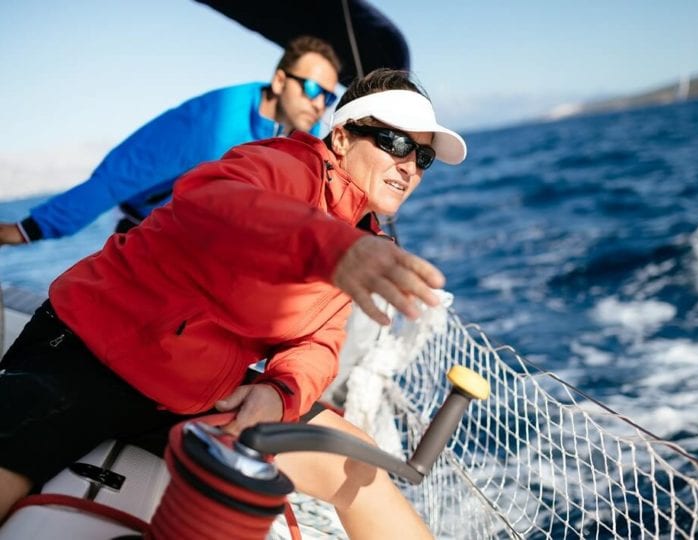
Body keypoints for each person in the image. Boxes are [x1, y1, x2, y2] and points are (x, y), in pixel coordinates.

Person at [0, 67, 467, 538]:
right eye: (395, 142)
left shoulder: (360, 238)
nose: (410, 166)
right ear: (342, 138)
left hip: (196, 393)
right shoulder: (285, 167)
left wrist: (279, 391)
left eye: (423, 155)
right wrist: (333, 247)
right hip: (90, 352)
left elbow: (320, 339)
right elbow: (210, 199)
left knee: (360, 475)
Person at [0, 35, 341, 245]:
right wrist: (29, 229)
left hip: (214, 248)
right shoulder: (213, 120)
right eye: (311, 89)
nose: (317, 102)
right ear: (280, 80)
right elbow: (123, 172)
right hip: (146, 236)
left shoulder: (302, 137)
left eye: (327, 96)